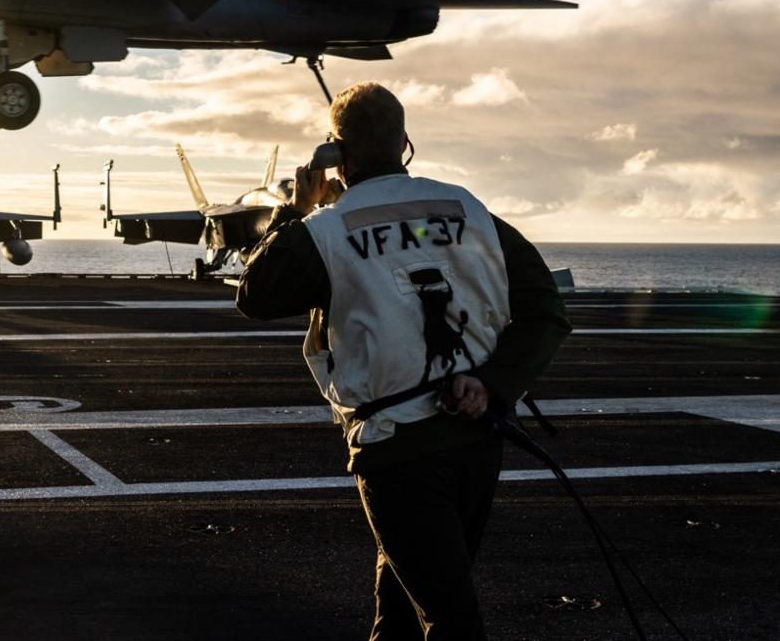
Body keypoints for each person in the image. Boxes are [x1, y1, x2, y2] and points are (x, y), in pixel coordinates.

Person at [236, 81, 571, 641]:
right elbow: (545, 310)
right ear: (405, 142)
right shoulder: (468, 209)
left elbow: (255, 295)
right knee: (401, 609)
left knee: (450, 620)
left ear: (336, 155)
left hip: (399, 452)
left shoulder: (326, 231)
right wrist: (490, 384)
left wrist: (291, 211)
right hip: (476, 443)